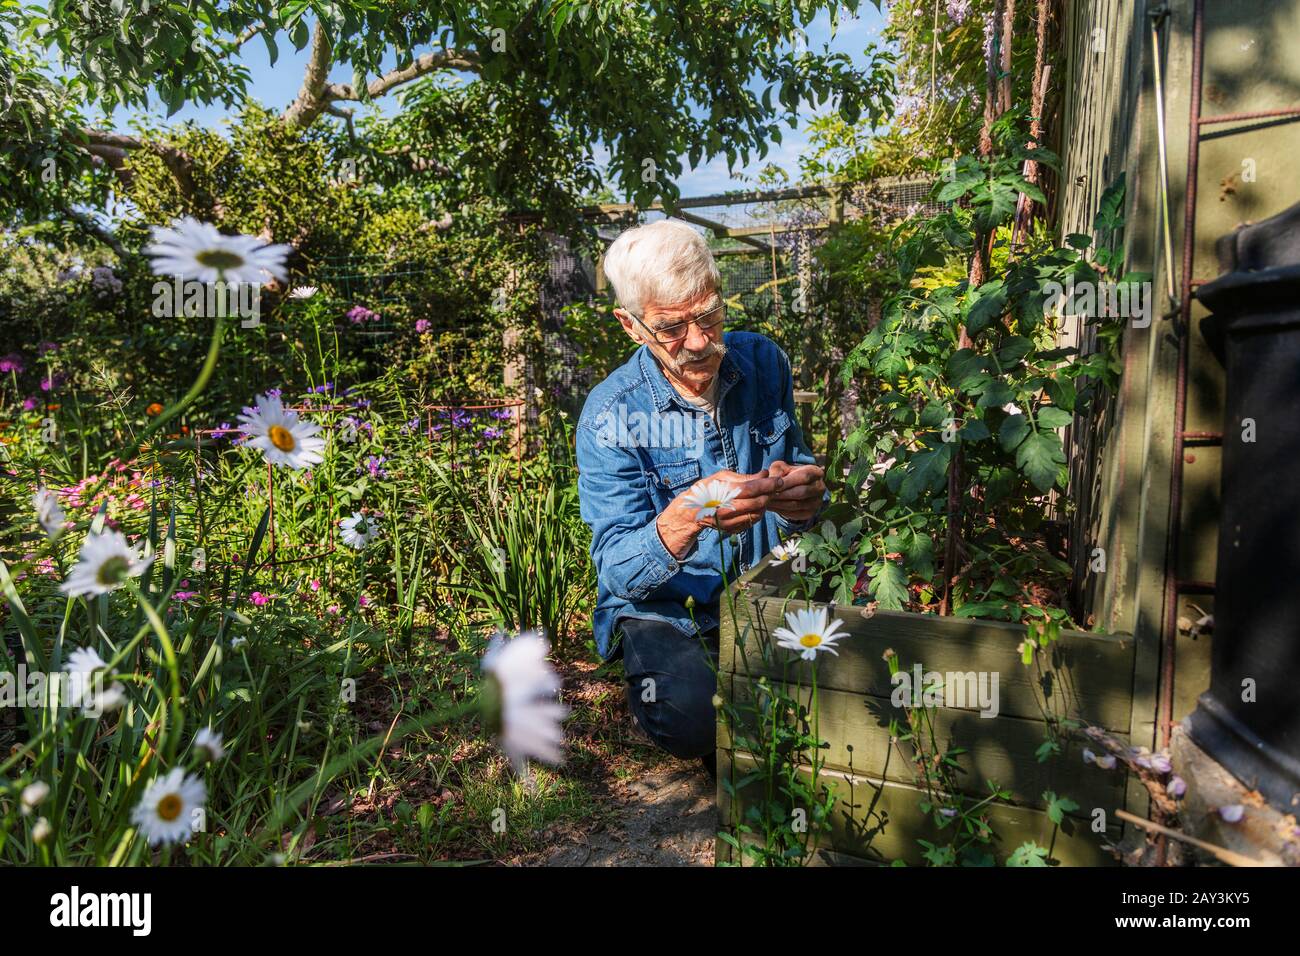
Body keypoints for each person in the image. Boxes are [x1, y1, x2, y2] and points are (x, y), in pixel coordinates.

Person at [575, 219, 828, 774]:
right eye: (671, 327)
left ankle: (745, 710)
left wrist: (805, 495)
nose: (698, 342)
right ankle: (715, 709)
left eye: (710, 315)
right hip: (665, 606)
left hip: (763, 581)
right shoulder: (610, 415)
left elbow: (802, 467)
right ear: (630, 325)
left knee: (841, 673)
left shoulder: (763, 362)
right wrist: (687, 516)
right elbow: (617, 569)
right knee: (691, 716)